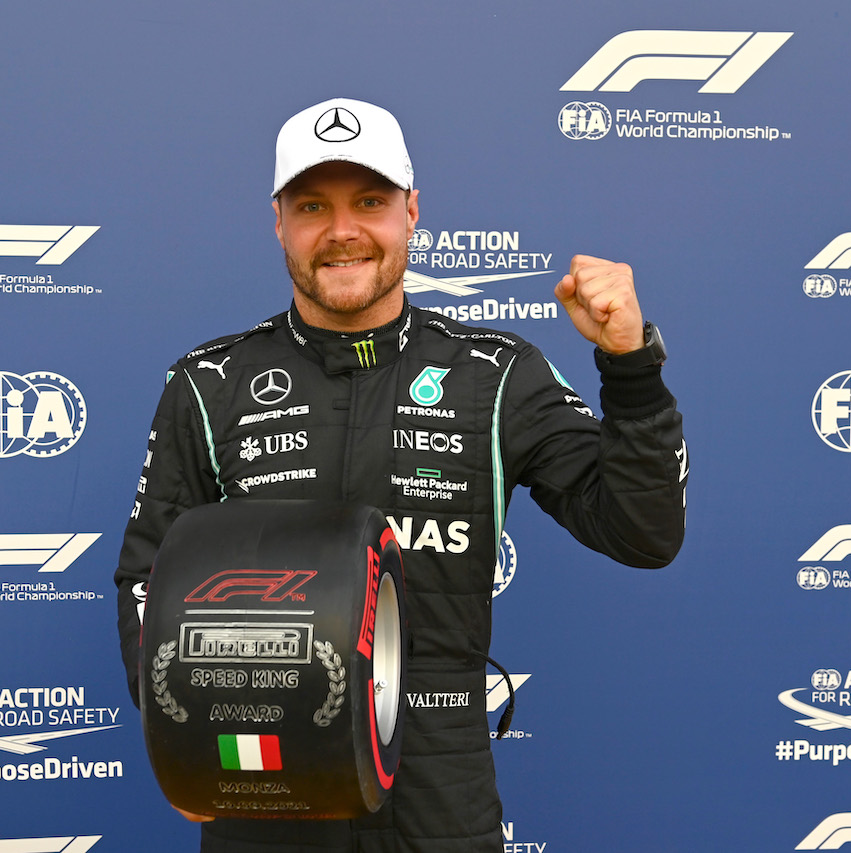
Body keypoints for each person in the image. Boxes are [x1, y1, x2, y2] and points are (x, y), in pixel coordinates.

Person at [115, 97, 687, 853]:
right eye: (313, 204)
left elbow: (643, 531)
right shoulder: (209, 382)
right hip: (265, 781)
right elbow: (147, 576)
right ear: (278, 220)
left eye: (371, 202)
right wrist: (179, 727)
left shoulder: (493, 375)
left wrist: (630, 365)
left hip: (439, 794)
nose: (342, 230)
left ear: (412, 212)